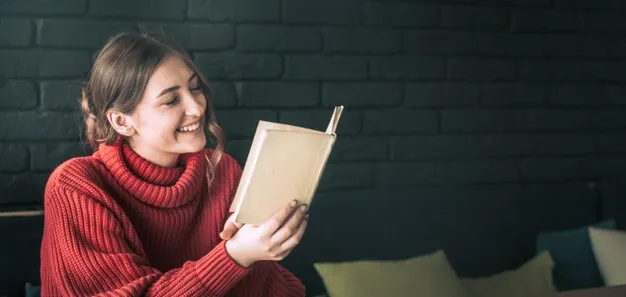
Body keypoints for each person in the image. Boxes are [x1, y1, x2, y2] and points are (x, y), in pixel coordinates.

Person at [40, 31, 308, 296]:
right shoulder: (76, 186)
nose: (197, 108)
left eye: (194, 88)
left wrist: (267, 245)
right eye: (170, 100)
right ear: (121, 121)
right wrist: (235, 255)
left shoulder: (223, 171)